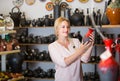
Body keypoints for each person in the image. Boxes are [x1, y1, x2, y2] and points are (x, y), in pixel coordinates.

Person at [48, 17, 94, 81]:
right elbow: (64, 63)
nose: (66, 29)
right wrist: (80, 51)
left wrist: (90, 45)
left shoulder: (76, 41)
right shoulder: (52, 46)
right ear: (57, 29)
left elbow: (85, 59)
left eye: (68, 27)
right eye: (63, 27)